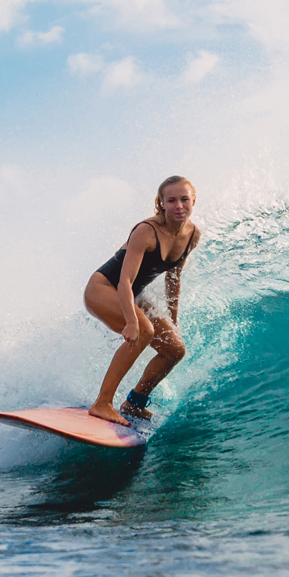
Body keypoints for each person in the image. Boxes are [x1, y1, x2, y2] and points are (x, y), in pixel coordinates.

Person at [84, 175, 200, 425]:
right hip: (103, 288)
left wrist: (173, 321)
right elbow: (124, 281)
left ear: (193, 201)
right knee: (144, 330)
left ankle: (135, 403)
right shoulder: (146, 231)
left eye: (184, 199)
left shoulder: (192, 235)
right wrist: (131, 321)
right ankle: (102, 403)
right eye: (171, 200)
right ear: (161, 203)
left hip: (133, 294)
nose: (179, 206)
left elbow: (174, 279)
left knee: (174, 349)